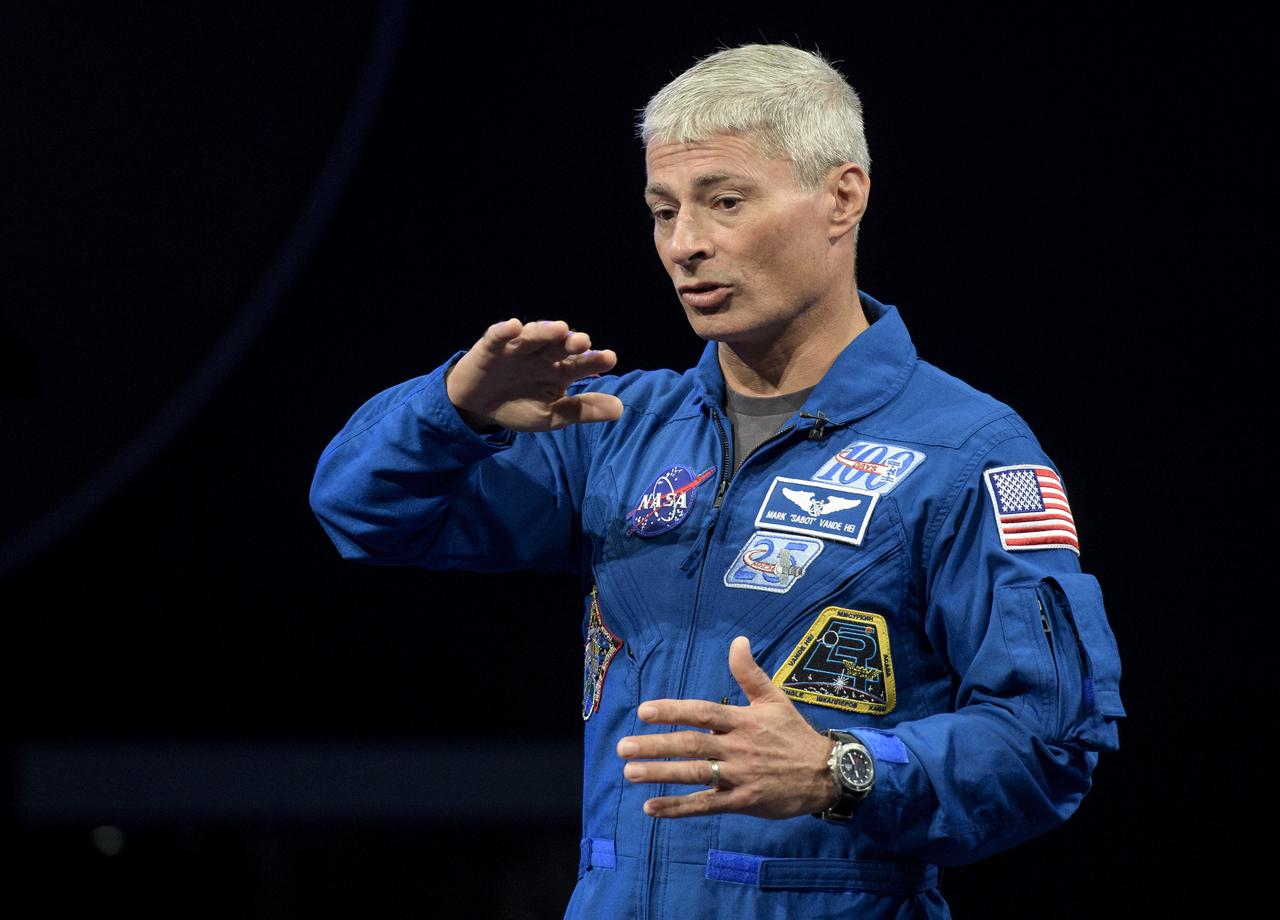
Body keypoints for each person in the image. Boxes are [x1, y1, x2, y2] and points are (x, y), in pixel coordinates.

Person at [310, 43, 1124, 919]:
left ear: (843, 197)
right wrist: (452, 410)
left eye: (724, 202)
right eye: (663, 211)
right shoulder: (616, 429)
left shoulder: (965, 451)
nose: (684, 245)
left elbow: (1049, 741)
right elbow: (361, 512)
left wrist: (840, 770)